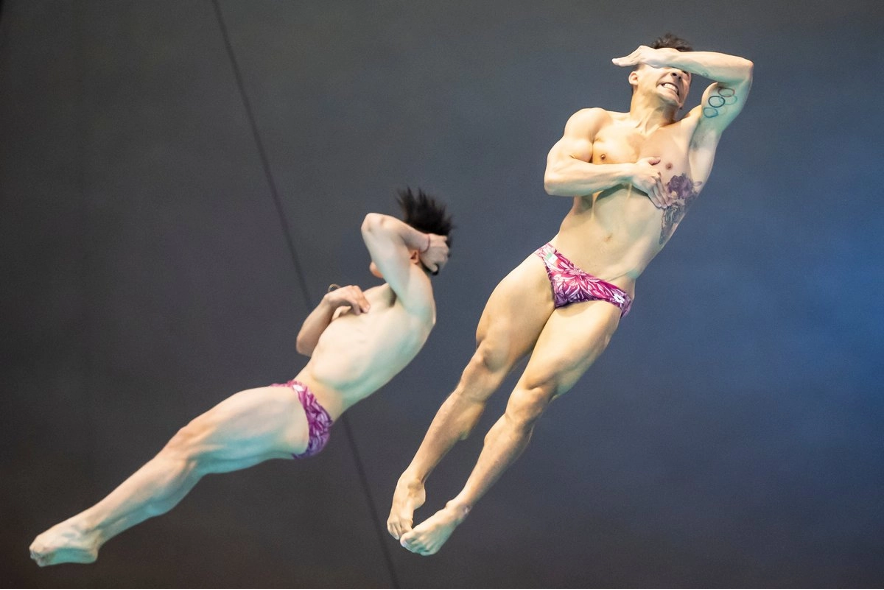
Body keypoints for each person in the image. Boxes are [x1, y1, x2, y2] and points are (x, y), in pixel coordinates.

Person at [388, 34, 753, 556]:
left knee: (529, 398)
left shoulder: (697, 133)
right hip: (553, 261)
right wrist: (628, 170)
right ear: (633, 74)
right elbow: (556, 177)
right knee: (480, 370)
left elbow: (742, 72)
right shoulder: (596, 122)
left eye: (683, 72)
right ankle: (414, 477)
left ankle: (458, 507)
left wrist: (670, 57)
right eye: (660, 66)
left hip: (605, 289)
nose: (675, 76)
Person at [30, 188, 452, 566]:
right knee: (192, 459)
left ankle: (87, 528)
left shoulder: (417, 301)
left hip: (303, 407)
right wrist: (329, 303)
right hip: (300, 406)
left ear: (411, 251)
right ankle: (97, 534)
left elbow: (373, 225)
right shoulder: (373, 298)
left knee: (187, 442)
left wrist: (426, 241)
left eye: (404, 241)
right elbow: (306, 345)